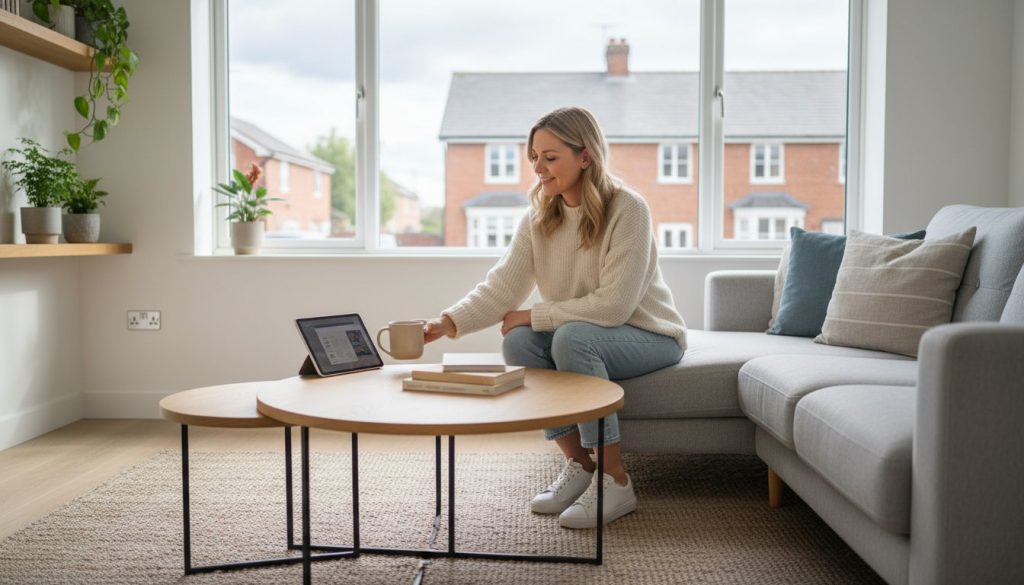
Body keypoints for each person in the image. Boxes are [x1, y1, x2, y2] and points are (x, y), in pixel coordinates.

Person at [423, 106, 686, 529]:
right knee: (518, 342)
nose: (538, 168)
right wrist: (446, 323)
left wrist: (536, 314)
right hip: (584, 331)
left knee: (569, 338)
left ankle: (616, 482)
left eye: (550, 157)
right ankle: (581, 466)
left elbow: (615, 306)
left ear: (585, 156)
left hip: (648, 334)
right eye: (534, 157)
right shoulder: (541, 215)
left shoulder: (628, 209)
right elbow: (502, 286)